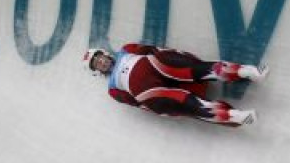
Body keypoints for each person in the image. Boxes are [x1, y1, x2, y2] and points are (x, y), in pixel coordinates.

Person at [82, 43, 268, 127]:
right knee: (189, 105)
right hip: (146, 92)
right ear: (98, 71)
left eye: (100, 58)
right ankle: (235, 116)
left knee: (198, 68)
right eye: (97, 64)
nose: (102, 62)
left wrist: (181, 55)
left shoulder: (126, 49)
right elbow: (135, 102)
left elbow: (153, 49)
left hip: (154, 64)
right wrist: (163, 110)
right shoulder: (113, 90)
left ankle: (248, 72)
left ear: (105, 54)